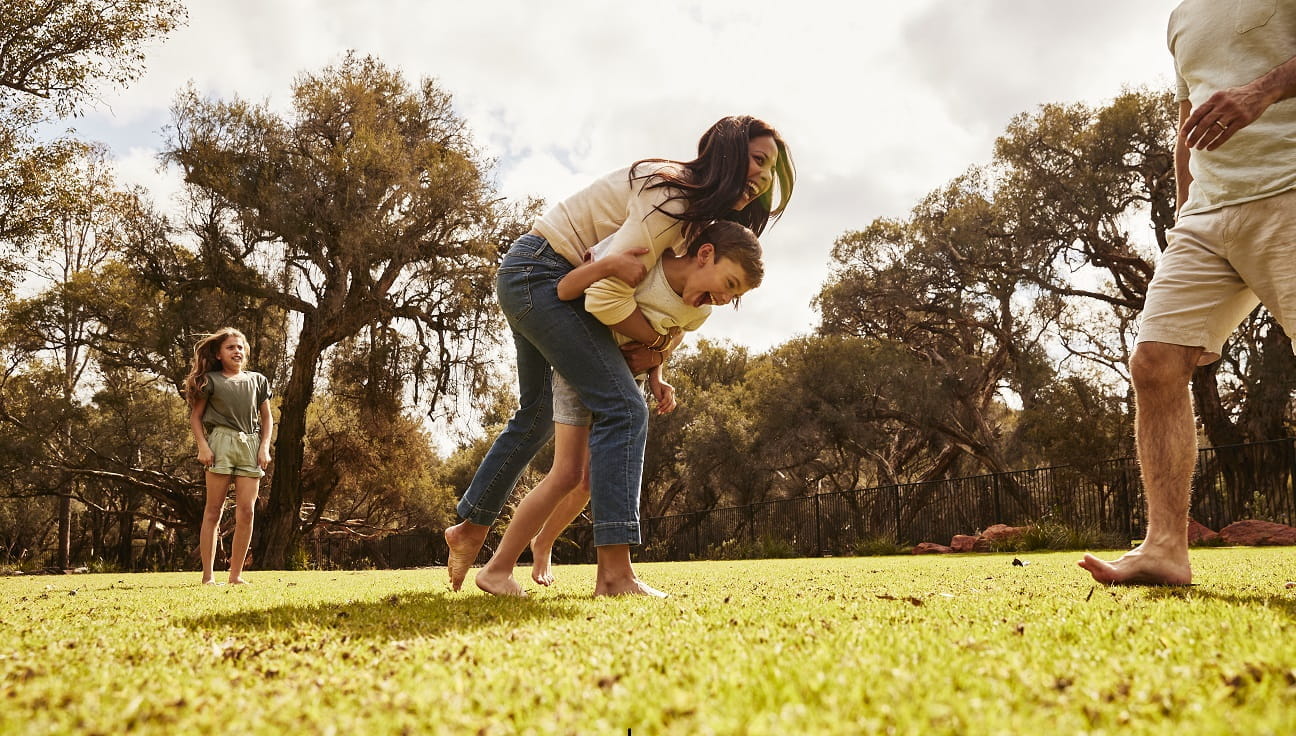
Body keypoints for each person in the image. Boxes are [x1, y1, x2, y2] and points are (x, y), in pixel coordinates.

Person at [444, 115, 795, 596]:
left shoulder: (689, 218)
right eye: (758, 160)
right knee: (624, 410)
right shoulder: (671, 198)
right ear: (730, 152)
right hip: (544, 275)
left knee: (537, 414)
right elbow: (607, 294)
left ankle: (470, 528)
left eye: (770, 170)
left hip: (530, 272)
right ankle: (613, 573)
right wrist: (652, 344)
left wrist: (655, 353)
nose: (763, 177)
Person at [1079, 0, 1296, 585]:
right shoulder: (1180, 17)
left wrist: (1265, 90)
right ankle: (1165, 549)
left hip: (1289, 191)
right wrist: (1184, 215)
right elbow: (1187, 124)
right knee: (1154, 364)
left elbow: (1248, 94)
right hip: (1205, 216)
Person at [473, 221, 764, 596]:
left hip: (627, 381)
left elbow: (666, 338)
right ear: (705, 254)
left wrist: (658, 374)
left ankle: (542, 545)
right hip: (582, 365)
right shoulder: (648, 266)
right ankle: (497, 568)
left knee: (589, 484)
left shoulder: (699, 312)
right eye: (729, 284)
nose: (726, 300)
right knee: (565, 473)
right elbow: (574, 293)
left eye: (735, 295)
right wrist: (605, 267)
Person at [185, 328, 274, 586]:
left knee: (246, 512)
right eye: (230, 347)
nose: (237, 351)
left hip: (251, 445)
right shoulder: (211, 381)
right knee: (213, 510)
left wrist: (264, 446)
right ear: (218, 354)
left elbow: (267, 417)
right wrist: (203, 446)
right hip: (220, 443)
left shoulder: (258, 380)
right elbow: (196, 418)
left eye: (240, 347)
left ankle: (235, 576)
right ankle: (208, 577)